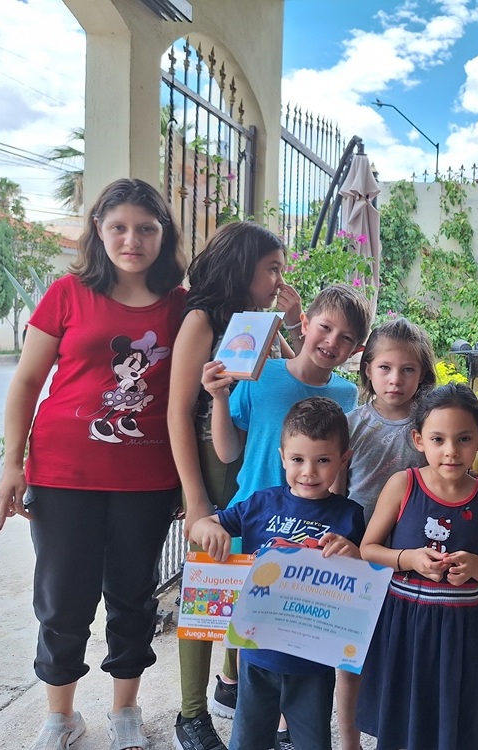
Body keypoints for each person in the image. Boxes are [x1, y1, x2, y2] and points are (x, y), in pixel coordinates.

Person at [0, 178, 187, 750]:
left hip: (146, 481)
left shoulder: (181, 306)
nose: (133, 239)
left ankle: (125, 710)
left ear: (163, 235)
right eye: (119, 227)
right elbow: (28, 381)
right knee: (63, 598)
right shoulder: (67, 293)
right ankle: (61, 714)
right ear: (98, 232)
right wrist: (13, 465)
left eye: (147, 228)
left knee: (133, 596)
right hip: (62, 475)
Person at [168, 221, 303, 750]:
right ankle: (190, 713)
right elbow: (178, 412)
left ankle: (231, 685)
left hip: (250, 463)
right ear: (243, 266)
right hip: (210, 462)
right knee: (205, 587)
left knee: (247, 575)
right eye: (271, 268)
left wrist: (294, 321)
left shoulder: (263, 321)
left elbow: (296, 374)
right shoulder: (203, 319)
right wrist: (196, 500)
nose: (277, 279)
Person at [190, 397, 366, 750]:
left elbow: (364, 583)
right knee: (248, 741)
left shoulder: (351, 517)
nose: (308, 472)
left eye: (323, 461)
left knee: (312, 743)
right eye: (298, 459)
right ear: (282, 456)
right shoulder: (260, 503)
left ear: (342, 460)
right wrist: (209, 529)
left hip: (313, 662)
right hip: (255, 654)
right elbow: (199, 526)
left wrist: (355, 555)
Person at [356, 383, 478, 750]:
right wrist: (407, 558)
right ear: (418, 439)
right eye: (438, 439)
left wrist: (475, 565)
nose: (451, 451)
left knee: (455, 719)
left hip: (462, 628)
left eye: (463, 439)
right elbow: (368, 548)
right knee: (405, 716)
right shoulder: (403, 484)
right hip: (406, 623)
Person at [333, 317, 436, 750]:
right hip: (357, 550)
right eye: (385, 368)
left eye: (408, 370)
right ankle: (350, 739)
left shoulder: (430, 426)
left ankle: (400, 732)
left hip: (412, 552)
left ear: (422, 375)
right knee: (350, 656)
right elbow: (337, 494)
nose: (396, 380)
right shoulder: (351, 423)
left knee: (403, 651)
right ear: (368, 370)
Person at [202, 283, 372, 509]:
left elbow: (337, 469)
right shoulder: (261, 374)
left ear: (356, 351)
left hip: (309, 522)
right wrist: (219, 396)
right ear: (305, 324)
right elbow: (228, 453)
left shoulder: (347, 395)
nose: (332, 341)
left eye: (346, 338)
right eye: (325, 327)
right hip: (251, 512)